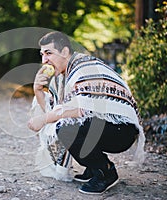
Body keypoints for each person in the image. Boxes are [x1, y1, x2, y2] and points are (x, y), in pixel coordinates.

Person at [28, 31, 145, 194]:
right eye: (42, 54)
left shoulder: (84, 67)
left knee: (66, 127)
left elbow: (83, 110)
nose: (44, 60)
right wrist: (38, 89)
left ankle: (105, 172)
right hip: (104, 126)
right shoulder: (61, 77)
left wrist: (44, 118)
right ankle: (94, 166)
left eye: (49, 53)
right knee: (63, 123)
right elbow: (53, 110)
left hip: (122, 130)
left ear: (65, 52)